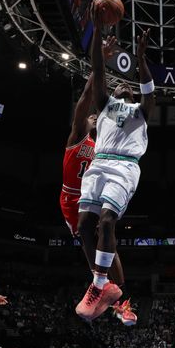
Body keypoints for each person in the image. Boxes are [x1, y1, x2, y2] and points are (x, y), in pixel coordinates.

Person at [75, 1, 154, 322]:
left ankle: (99, 284)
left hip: (124, 166)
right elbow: (97, 69)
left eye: (127, 85)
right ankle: (104, 285)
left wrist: (141, 58)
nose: (122, 85)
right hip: (99, 165)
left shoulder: (140, 112)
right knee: (83, 227)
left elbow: (149, 91)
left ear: (132, 96)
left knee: (107, 222)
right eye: (118, 84)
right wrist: (96, 30)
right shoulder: (106, 105)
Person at [60, 41, 136, 327]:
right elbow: (86, 99)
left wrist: (122, 101)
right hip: (73, 198)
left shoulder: (111, 144)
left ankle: (120, 299)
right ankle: (105, 288)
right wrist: (99, 67)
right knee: (86, 233)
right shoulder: (79, 135)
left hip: (102, 190)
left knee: (108, 235)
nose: (95, 116)